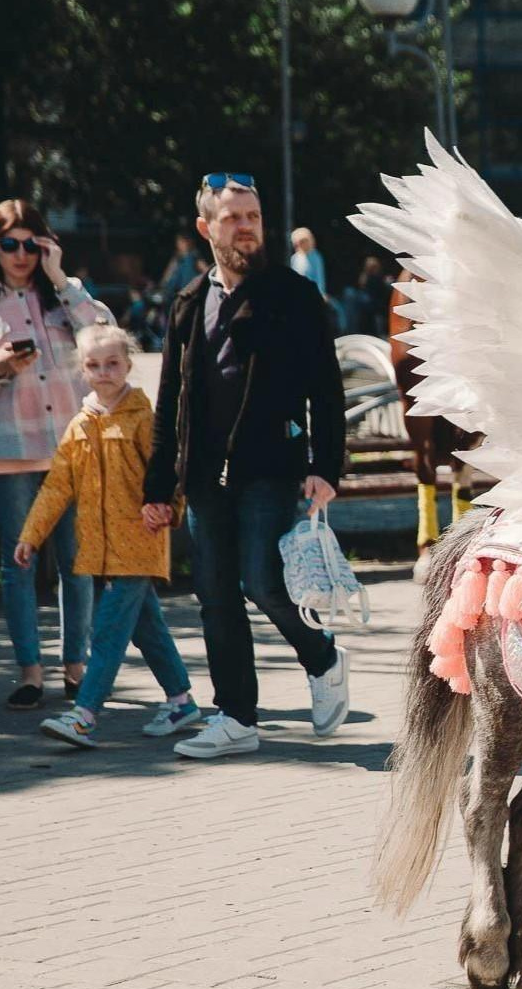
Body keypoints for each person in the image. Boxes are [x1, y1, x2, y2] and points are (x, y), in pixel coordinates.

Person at [142, 175, 349, 760]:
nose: (247, 227)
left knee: (263, 581)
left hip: (272, 467)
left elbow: (327, 391)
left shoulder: (293, 295)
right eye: (234, 217)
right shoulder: (187, 303)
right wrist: (160, 485)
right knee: (215, 595)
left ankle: (322, 655)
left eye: (254, 216)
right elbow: (170, 403)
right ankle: (236, 717)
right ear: (207, 228)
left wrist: (326, 467)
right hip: (206, 476)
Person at [0, 200, 110, 710]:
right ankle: (30, 672)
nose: (21, 255)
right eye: (9, 244)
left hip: (68, 447)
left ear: (46, 246)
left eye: (31, 245)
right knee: (19, 564)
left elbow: (105, 337)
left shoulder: (61, 298)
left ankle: (75, 666)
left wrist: (62, 277)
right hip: (9, 451)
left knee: (76, 563)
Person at [14, 325, 201, 747]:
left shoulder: (143, 419)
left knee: (109, 629)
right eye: (94, 365)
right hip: (100, 551)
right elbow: (58, 486)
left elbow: (169, 472)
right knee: (146, 626)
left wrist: (169, 509)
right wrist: (32, 535)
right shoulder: (80, 425)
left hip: (140, 543)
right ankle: (181, 700)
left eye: (113, 363)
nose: (103, 372)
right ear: (82, 370)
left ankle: (84, 714)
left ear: (128, 366)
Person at [289, 226, 328, 297]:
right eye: (299, 242)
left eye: (305, 241)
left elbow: (320, 279)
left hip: (313, 295)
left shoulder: (316, 257)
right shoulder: (294, 258)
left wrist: (320, 294)